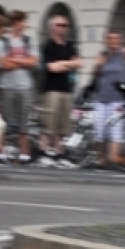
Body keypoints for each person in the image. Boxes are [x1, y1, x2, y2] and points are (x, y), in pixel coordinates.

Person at [0, 10, 38, 164]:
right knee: (4, 119)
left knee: (24, 119)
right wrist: (24, 61)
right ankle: (0, 151)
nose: (24, 25)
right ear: (15, 23)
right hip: (7, 85)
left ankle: (24, 153)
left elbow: (34, 62)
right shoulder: (2, 42)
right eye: (22, 22)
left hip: (25, 85)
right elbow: (3, 64)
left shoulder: (29, 41)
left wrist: (14, 60)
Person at [90, 30, 125, 167]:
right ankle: (100, 158)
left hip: (118, 99)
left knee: (116, 131)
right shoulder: (102, 55)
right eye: (111, 39)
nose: (113, 42)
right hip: (102, 98)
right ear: (107, 41)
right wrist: (99, 64)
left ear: (119, 41)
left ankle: (113, 159)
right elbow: (95, 73)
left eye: (116, 39)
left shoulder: (123, 54)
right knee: (99, 132)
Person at [40, 14, 81, 166]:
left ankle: (59, 153)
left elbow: (78, 62)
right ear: (52, 27)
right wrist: (68, 63)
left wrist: (63, 64)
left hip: (66, 89)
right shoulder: (48, 46)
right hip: (52, 89)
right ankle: (44, 151)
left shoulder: (69, 46)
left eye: (65, 26)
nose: (63, 28)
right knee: (49, 123)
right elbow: (52, 67)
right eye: (60, 25)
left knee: (63, 125)